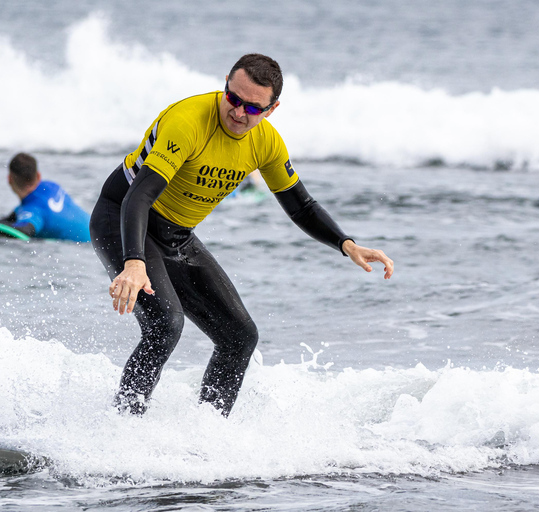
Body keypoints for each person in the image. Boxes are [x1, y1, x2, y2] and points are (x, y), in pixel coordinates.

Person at [89, 54, 394, 417]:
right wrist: (134, 262)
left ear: (272, 108)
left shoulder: (266, 143)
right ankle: (121, 427)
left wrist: (346, 244)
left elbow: (301, 206)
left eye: (252, 107)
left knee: (239, 337)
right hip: (122, 215)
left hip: (176, 234)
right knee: (165, 325)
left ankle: (208, 436)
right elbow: (139, 195)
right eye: (232, 98)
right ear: (226, 86)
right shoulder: (187, 121)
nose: (237, 112)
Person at [0, 152, 91, 242]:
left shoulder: (33, 211)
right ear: (38, 176)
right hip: (101, 234)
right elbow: (12, 219)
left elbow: (25, 231)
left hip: (85, 248)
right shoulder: (51, 186)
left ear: (9, 179)